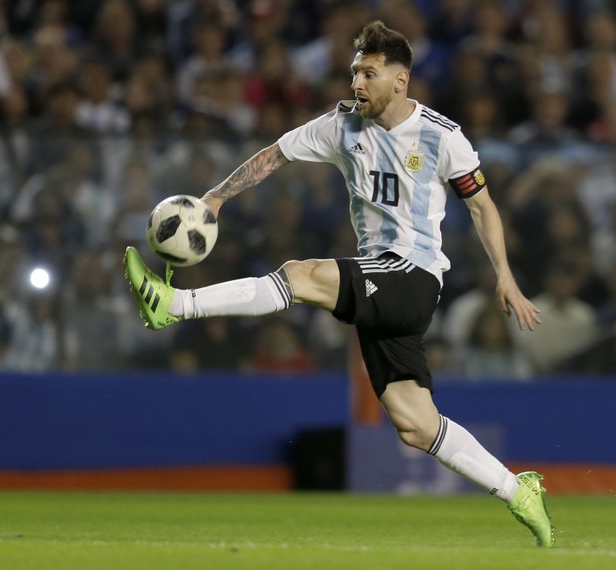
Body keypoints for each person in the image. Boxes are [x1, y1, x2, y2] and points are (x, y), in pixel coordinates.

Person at [123, 21, 554, 547]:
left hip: (413, 274)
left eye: (369, 74)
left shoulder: (443, 137)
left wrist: (504, 277)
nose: (357, 84)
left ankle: (174, 304)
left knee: (301, 275)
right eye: (355, 73)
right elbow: (274, 156)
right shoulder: (341, 125)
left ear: (401, 80)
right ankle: (518, 490)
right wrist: (215, 199)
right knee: (415, 423)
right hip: (381, 276)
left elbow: (483, 207)